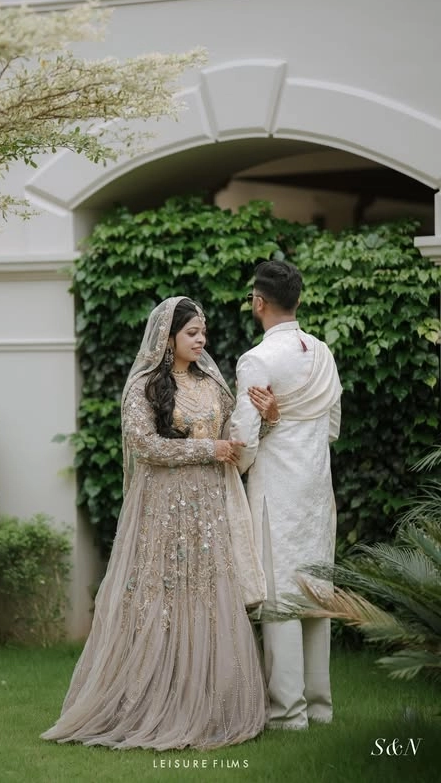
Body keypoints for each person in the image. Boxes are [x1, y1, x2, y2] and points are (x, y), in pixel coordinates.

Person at [41, 296, 278, 751]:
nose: (201, 339)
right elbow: (144, 444)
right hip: (163, 509)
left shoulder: (211, 382)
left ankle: (208, 705)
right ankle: (150, 700)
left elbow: (234, 440)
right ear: (168, 337)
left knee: (206, 596)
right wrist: (207, 450)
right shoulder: (144, 387)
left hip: (209, 509)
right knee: (163, 597)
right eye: (192, 332)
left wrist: (266, 421)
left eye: (203, 331)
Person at [229, 260, 342, 731]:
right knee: (316, 595)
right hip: (317, 489)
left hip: (276, 489)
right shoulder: (322, 353)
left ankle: (288, 714)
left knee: (279, 598)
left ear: (259, 302)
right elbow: (332, 429)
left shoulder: (257, 360)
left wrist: (237, 464)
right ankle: (320, 706)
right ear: (297, 299)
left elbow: (243, 438)